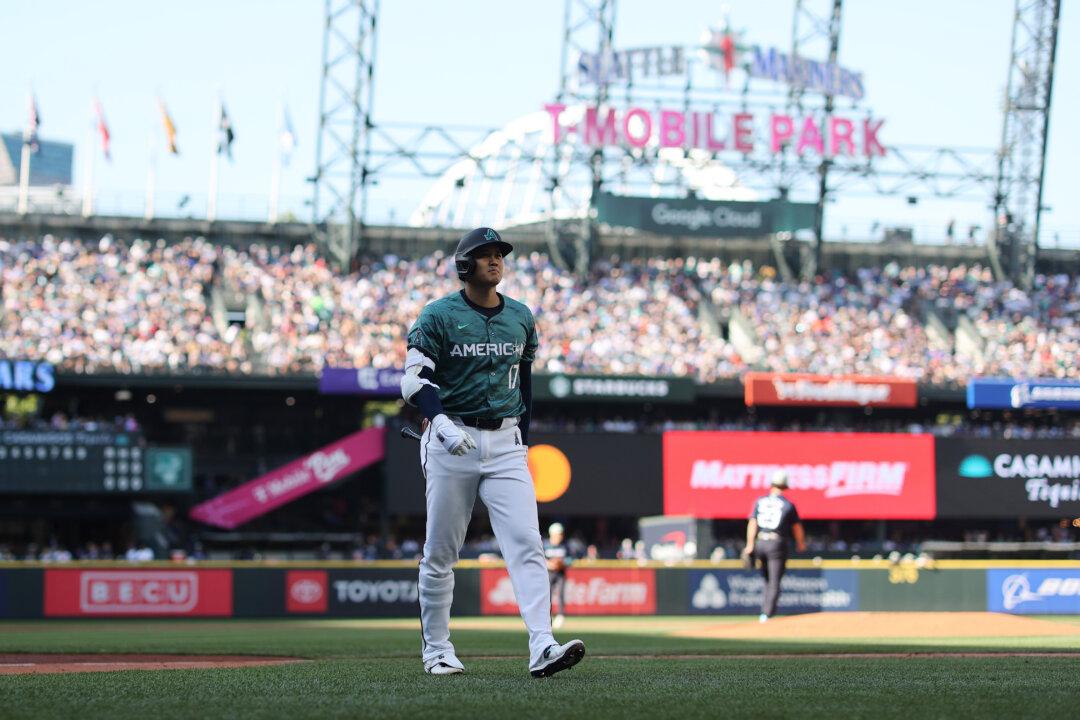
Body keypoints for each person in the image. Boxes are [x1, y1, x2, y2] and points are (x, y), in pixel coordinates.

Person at [402, 227, 586, 678]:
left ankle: (542, 644)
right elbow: (412, 380)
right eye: (484, 254)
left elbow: (524, 385)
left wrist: (522, 433)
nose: (495, 260)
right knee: (442, 551)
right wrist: (440, 422)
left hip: (505, 442)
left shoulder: (521, 315)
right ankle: (438, 650)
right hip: (452, 437)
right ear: (465, 264)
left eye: (499, 253)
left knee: (527, 544)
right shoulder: (438, 315)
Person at [742, 470, 806, 623]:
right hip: (776, 543)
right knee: (774, 581)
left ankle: (765, 611)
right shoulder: (787, 504)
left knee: (767, 580)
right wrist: (801, 543)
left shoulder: (760, 501)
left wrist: (750, 545)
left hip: (760, 542)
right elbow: (797, 528)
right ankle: (767, 614)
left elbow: (752, 522)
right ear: (785, 486)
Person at [544, 522, 573, 628]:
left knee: (561, 594)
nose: (560, 536)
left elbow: (571, 559)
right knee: (547, 596)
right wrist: (549, 564)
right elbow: (539, 558)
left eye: (561, 534)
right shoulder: (545, 545)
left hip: (560, 573)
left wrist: (562, 563)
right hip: (548, 573)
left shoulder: (565, 546)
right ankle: (546, 617)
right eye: (558, 534)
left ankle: (560, 616)